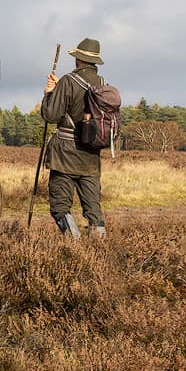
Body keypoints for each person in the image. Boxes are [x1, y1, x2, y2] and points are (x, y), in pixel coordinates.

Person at [41, 38, 107, 238]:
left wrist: (49, 94)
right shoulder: (104, 85)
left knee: (60, 207)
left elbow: (51, 115)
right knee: (94, 210)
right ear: (94, 61)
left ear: (78, 59)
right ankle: (100, 250)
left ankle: (74, 247)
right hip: (91, 156)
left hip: (65, 156)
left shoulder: (69, 81)